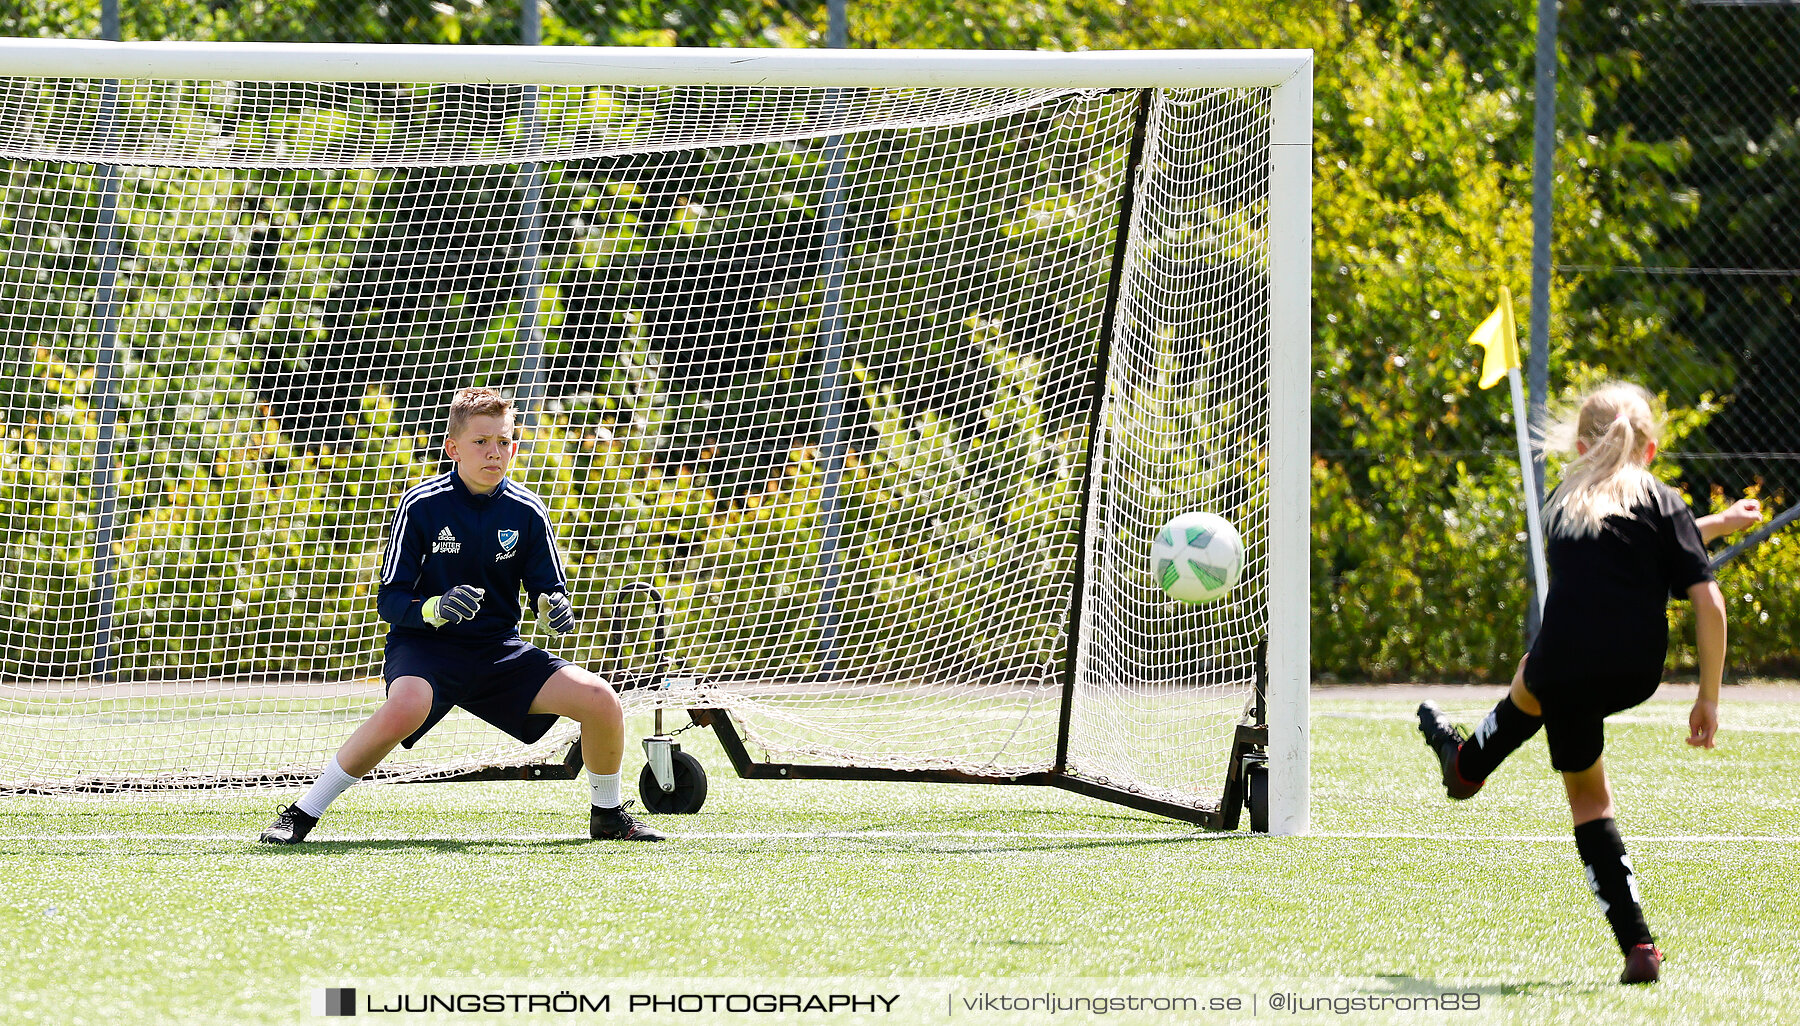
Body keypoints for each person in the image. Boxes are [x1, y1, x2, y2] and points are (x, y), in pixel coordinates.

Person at [1416, 381, 1760, 985]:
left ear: (1579, 445)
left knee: (1578, 770)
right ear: (1650, 450)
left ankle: (1638, 944)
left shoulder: (1561, 502)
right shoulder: (1665, 501)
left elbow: (1627, 540)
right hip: (1637, 668)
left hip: (1571, 665)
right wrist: (1708, 696)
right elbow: (1704, 596)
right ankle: (1463, 767)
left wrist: (1712, 525)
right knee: (1535, 675)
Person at [261, 387, 664, 844]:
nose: (495, 452)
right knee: (407, 705)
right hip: (426, 648)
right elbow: (389, 602)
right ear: (453, 448)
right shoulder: (421, 505)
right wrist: (433, 609)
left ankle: (608, 816)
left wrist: (554, 608)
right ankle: (302, 814)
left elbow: (548, 590)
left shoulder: (527, 510)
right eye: (481, 442)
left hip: (497, 652)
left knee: (601, 700)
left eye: (505, 441)